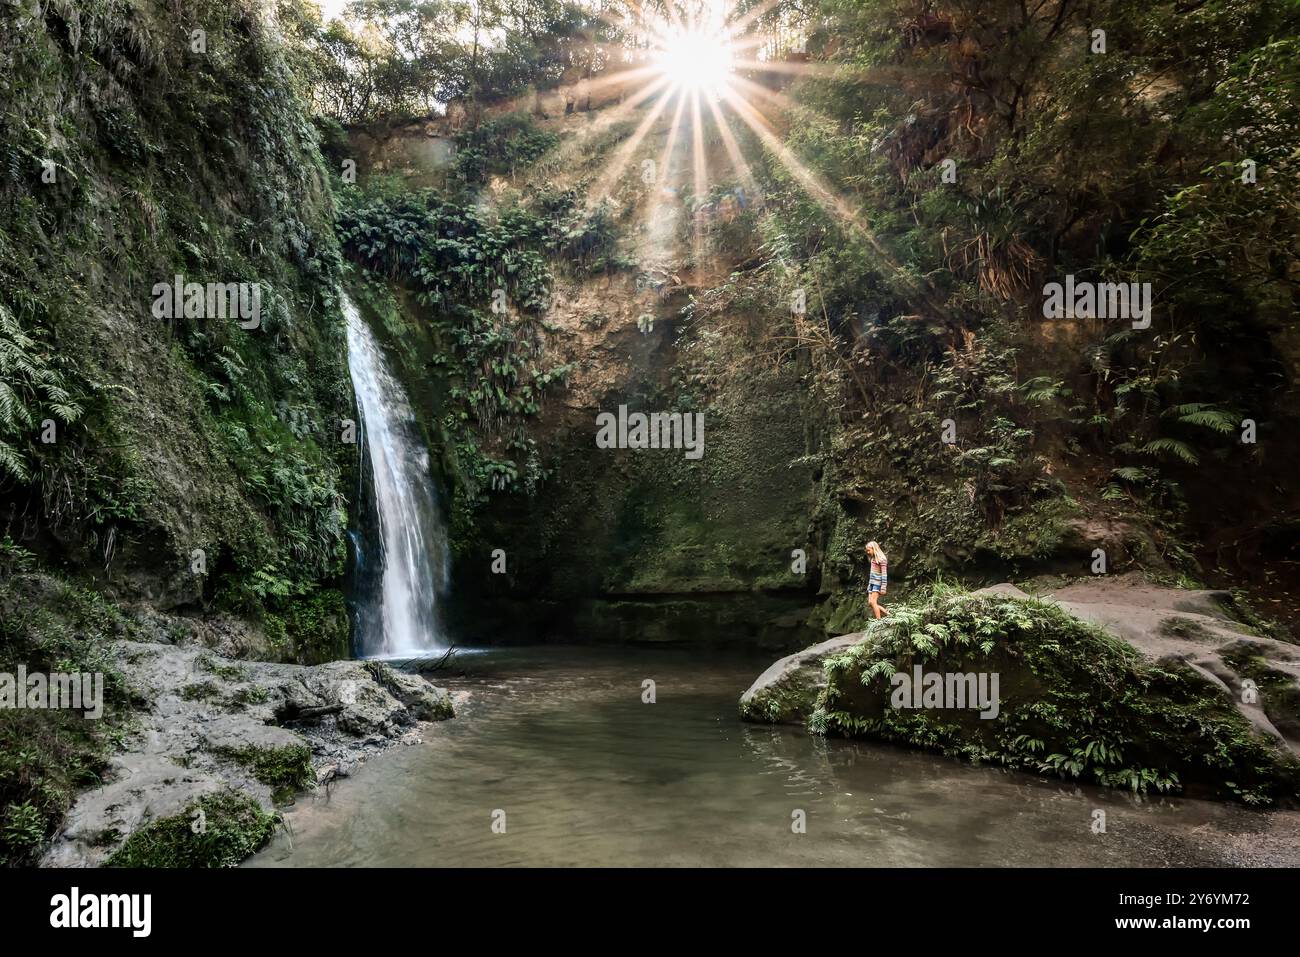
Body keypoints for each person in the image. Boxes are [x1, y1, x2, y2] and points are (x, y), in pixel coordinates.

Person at [865, 541, 889, 618]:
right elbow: (872, 574)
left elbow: (884, 574)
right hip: (872, 583)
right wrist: (869, 585)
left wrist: (883, 587)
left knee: (873, 602)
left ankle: (878, 621)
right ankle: (888, 614)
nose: (868, 552)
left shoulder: (882, 560)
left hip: (877, 583)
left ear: (874, 549)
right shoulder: (873, 559)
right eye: (867, 550)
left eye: (869, 550)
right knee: (870, 603)